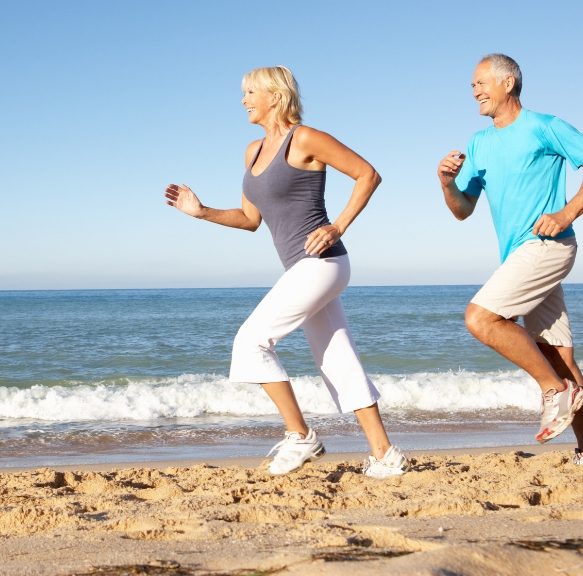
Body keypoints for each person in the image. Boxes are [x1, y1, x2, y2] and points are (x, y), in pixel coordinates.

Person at [164, 66, 405, 478]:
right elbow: (249, 218)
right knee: (338, 360)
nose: (243, 99)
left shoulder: (305, 138)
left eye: (250, 92)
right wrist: (201, 212)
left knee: (250, 342)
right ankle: (385, 455)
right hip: (304, 268)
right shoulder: (252, 151)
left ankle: (301, 436)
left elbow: (368, 174)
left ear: (275, 96)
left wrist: (337, 225)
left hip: (323, 262)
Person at [437, 54, 583, 469]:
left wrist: (567, 213)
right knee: (560, 357)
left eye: (481, 82)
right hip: (518, 256)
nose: (475, 91)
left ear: (508, 83)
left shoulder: (544, 126)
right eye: (472, 86)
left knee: (480, 319)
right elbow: (463, 209)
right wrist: (448, 183)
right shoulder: (479, 142)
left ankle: (554, 392)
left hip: (548, 246)